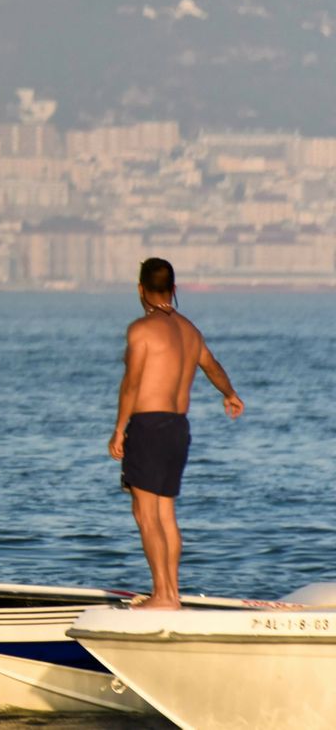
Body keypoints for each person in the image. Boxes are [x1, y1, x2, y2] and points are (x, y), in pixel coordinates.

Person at [107, 257, 243, 610]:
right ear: (174, 290)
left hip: (148, 426)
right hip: (178, 428)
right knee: (165, 512)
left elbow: (132, 383)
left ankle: (163, 596)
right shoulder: (190, 331)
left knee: (145, 513)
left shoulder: (141, 330)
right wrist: (229, 393)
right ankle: (171, 592)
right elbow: (212, 367)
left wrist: (120, 429)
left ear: (140, 289)